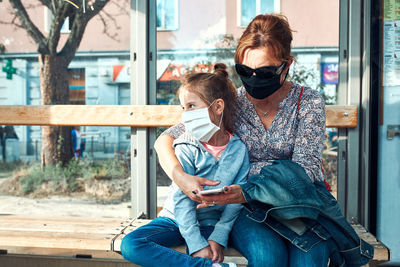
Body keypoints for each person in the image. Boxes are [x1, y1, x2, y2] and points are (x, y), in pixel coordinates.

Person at [154, 14, 373, 267]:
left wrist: (245, 191)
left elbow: (306, 169)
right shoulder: (231, 102)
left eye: (265, 71)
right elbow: (165, 139)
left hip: (296, 201)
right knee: (268, 257)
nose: (253, 79)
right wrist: (181, 178)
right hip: (245, 208)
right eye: (245, 71)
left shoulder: (308, 102)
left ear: (286, 65)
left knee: (309, 261)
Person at [121, 63, 250, 267]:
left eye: (191, 106)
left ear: (218, 106)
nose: (185, 114)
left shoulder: (239, 150)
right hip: (174, 220)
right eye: (183, 108)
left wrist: (218, 237)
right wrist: (196, 243)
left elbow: (236, 201)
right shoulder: (185, 146)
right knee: (131, 244)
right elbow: (182, 201)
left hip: (212, 222)